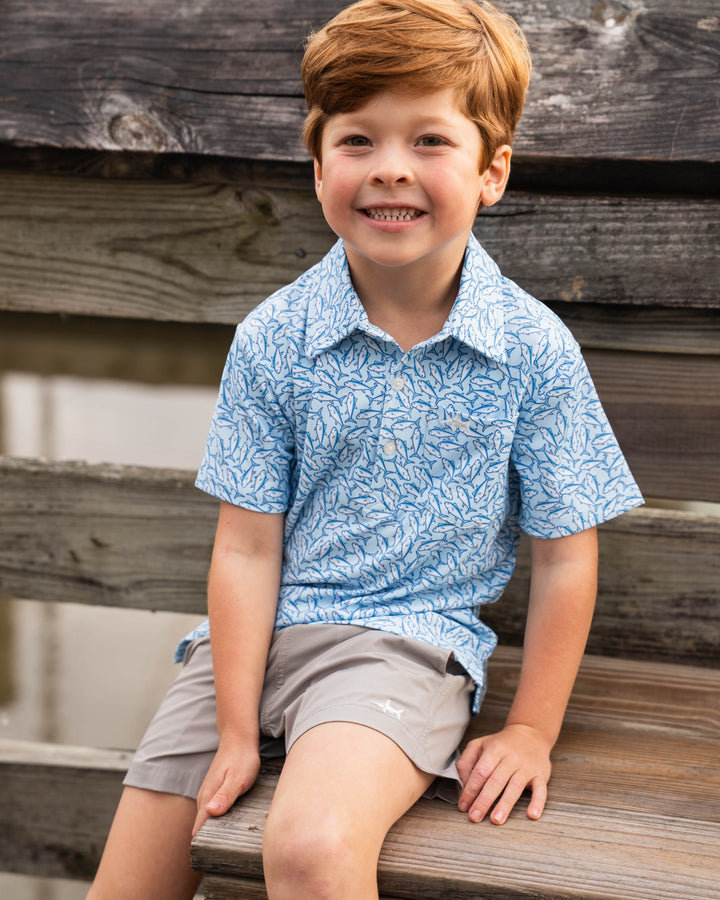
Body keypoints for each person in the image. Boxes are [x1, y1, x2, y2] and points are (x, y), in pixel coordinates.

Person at [88, 1, 643, 897]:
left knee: (308, 847)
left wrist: (532, 730)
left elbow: (567, 556)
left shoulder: (532, 351)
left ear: (491, 170)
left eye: (429, 140)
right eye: (358, 142)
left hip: (403, 647)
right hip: (252, 650)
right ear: (317, 170)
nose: (391, 170)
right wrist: (235, 726)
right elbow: (245, 545)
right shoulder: (274, 339)